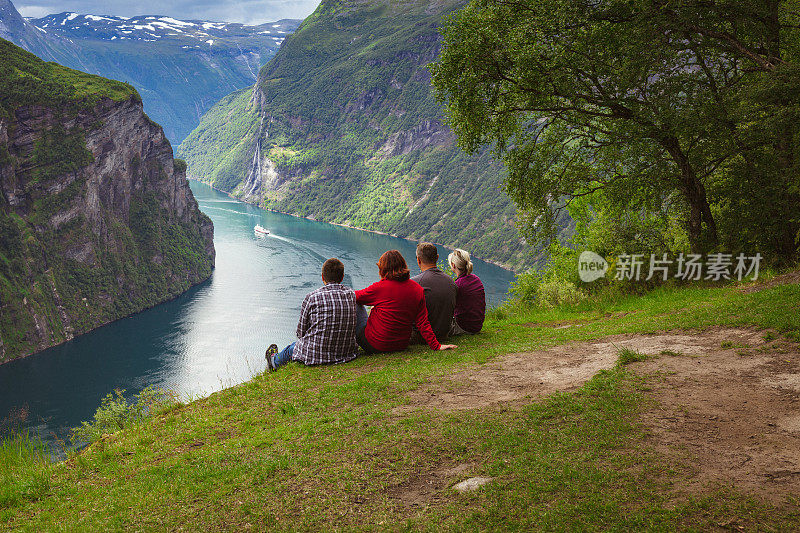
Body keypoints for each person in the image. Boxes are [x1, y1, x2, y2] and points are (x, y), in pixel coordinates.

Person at [355, 250, 457, 354]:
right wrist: (436, 345)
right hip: (401, 345)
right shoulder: (417, 289)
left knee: (355, 304)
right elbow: (422, 322)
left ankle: (345, 348)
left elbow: (353, 296)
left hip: (375, 345)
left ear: (383, 269)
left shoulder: (379, 288)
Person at [265, 258, 358, 371]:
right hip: (345, 352)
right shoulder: (351, 295)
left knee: (291, 348)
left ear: (323, 277)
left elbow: (301, 332)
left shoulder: (312, 297)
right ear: (342, 277)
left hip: (315, 355)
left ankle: (274, 361)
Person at [409, 242, 457, 343]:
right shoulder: (451, 281)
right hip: (444, 333)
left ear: (418, 260)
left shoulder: (414, 283)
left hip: (421, 336)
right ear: (437, 257)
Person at [448, 249, 486, 335]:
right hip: (477, 326)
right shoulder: (476, 279)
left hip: (464, 327)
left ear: (453, 265)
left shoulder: (457, 284)